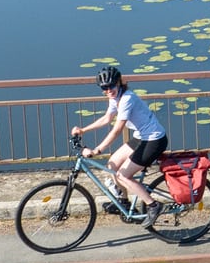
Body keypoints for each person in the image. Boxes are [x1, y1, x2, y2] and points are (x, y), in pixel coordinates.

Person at [70, 64, 168, 217]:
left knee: (123, 175)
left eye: (111, 86)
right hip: (140, 137)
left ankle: (153, 205)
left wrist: (97, 150)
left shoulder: (127, 99)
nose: (108, 90)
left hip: (154, 140)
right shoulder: (115, 97)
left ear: (118, 83)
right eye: (104, 88)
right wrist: (83, 130)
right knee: (112, 164)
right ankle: (123, 202)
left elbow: (117, 130)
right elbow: (107, 118)